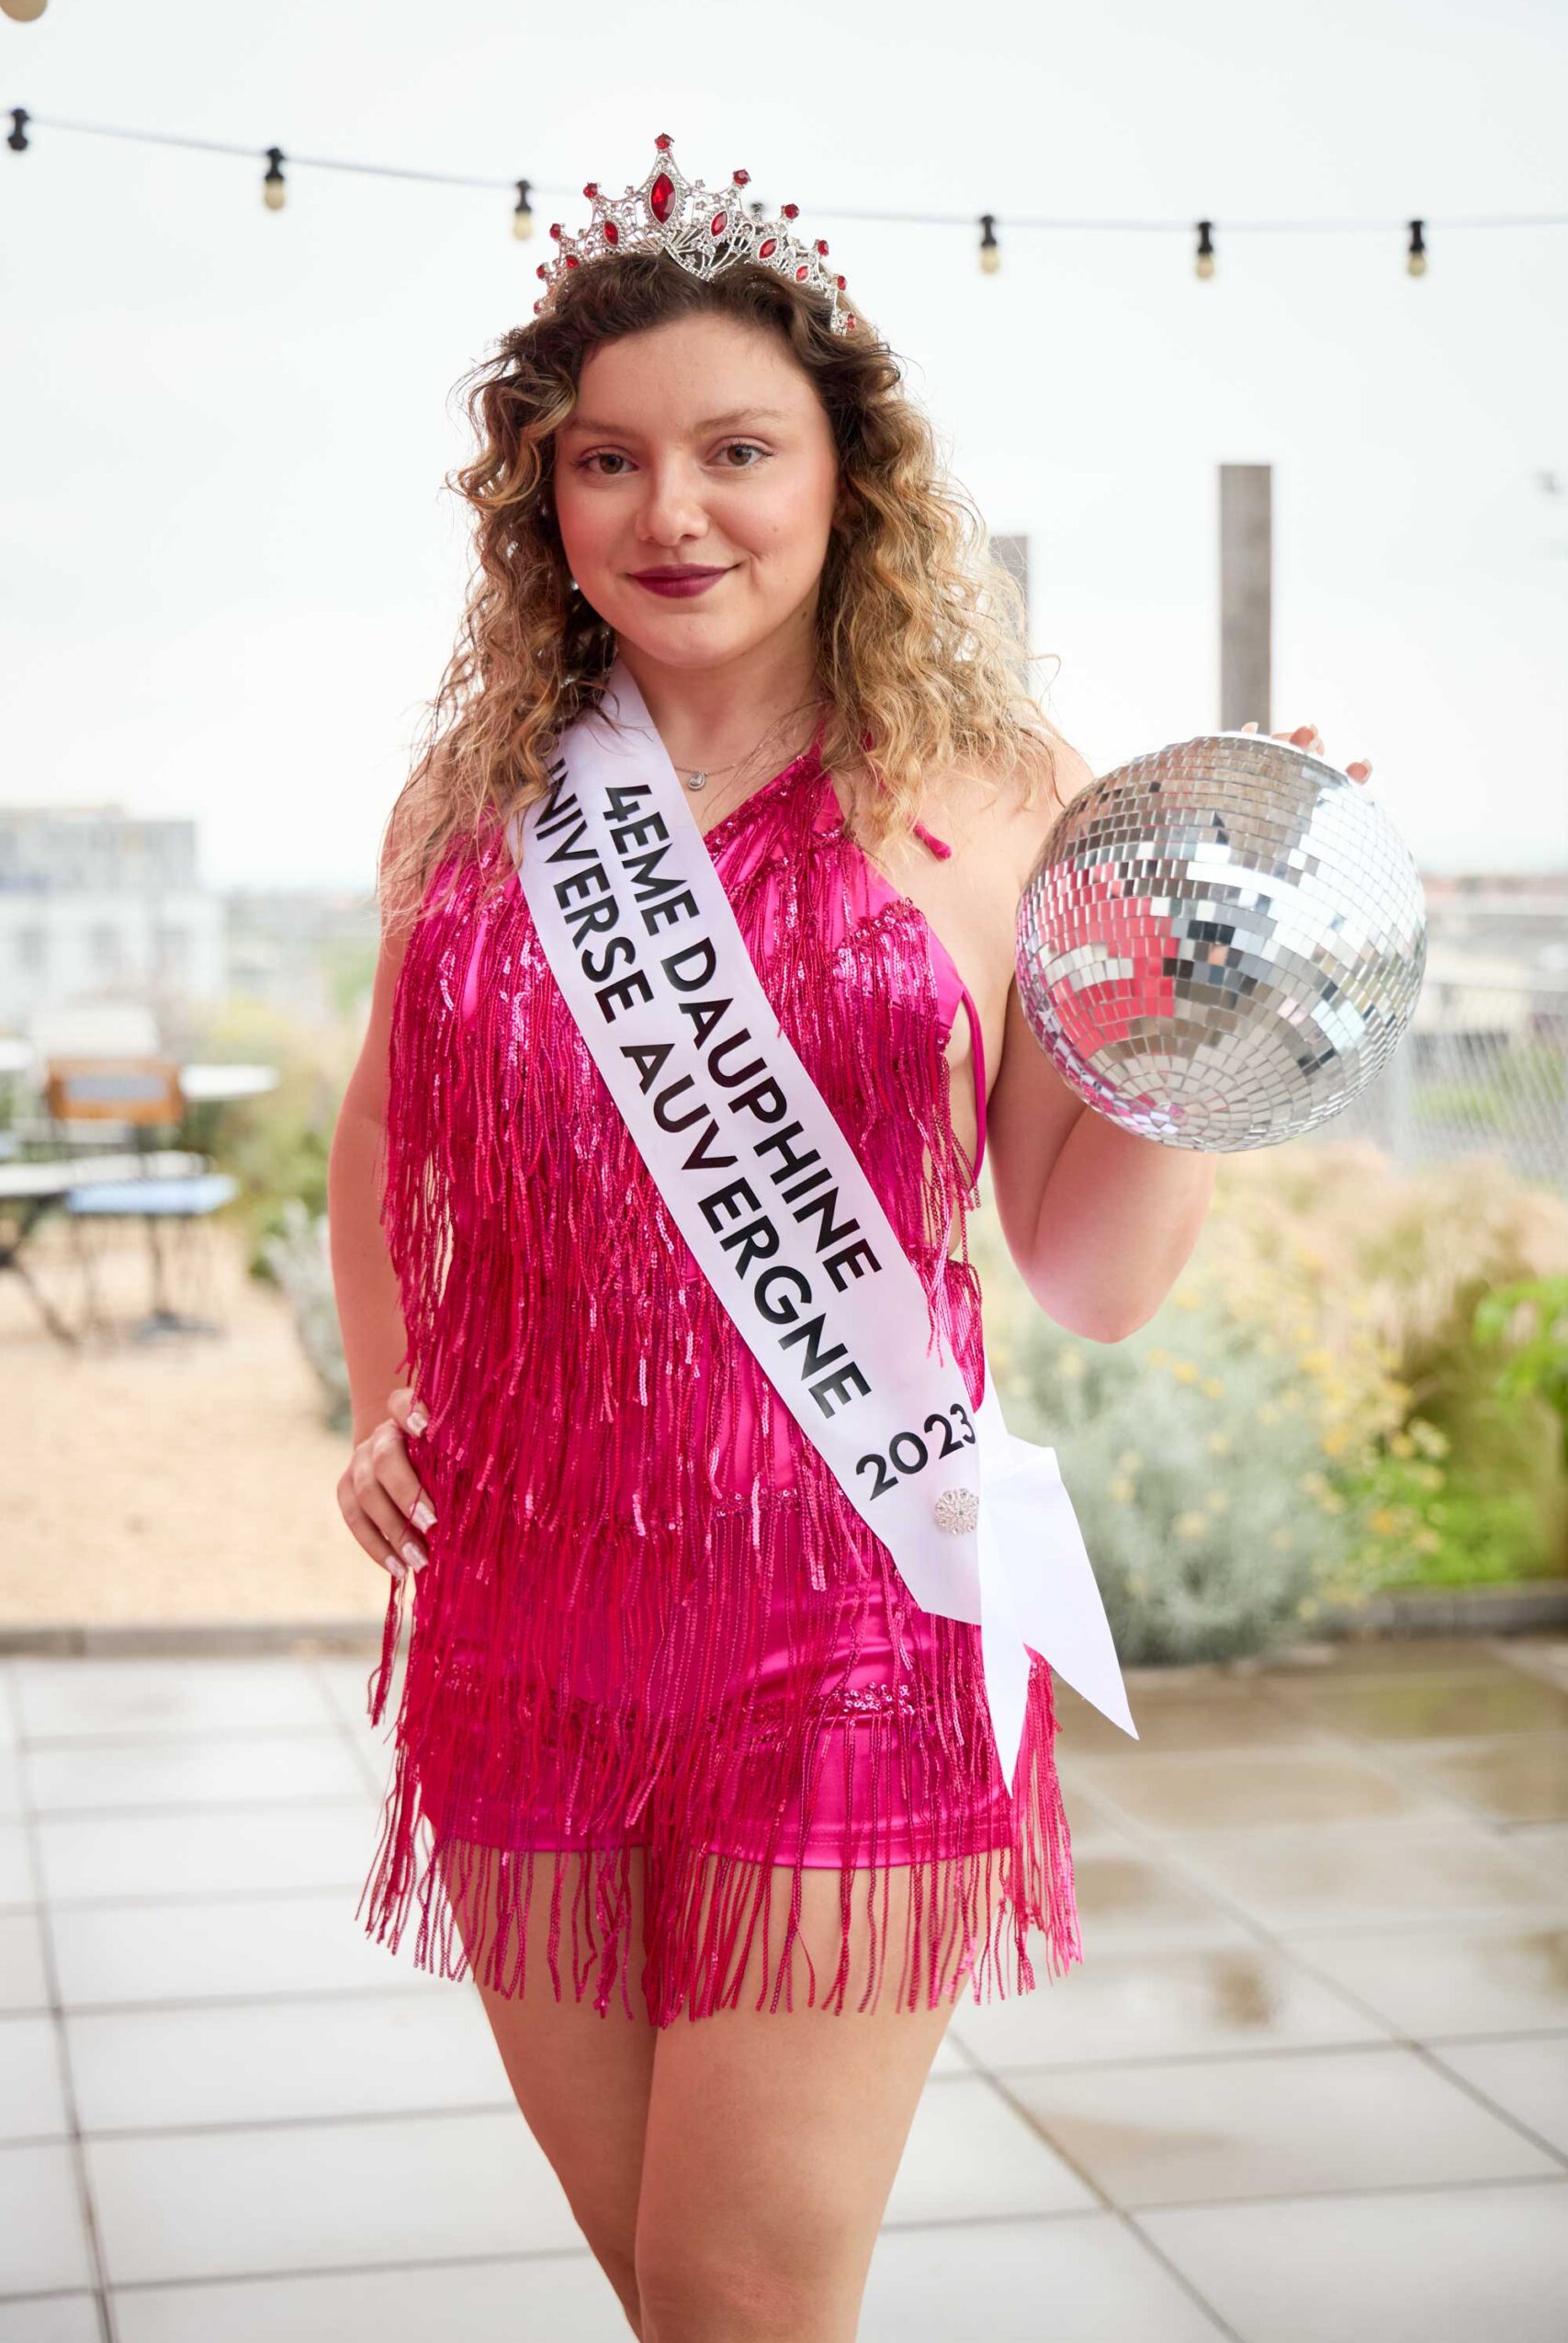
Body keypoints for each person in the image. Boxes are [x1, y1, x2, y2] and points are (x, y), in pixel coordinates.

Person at [327, 136, 1371, 2343]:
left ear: (842, 474)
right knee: (662, 2293)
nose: (671, 511)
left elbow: (1085, 1274)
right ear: (542, 496)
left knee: (739, 2297)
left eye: (735, 450)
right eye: (605, 459)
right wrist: (382, 1388)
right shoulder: (478, 800)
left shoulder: (997, 794)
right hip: (521, 1614)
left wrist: (1205, 1001)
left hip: (850, 1618)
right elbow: (384, 1122)